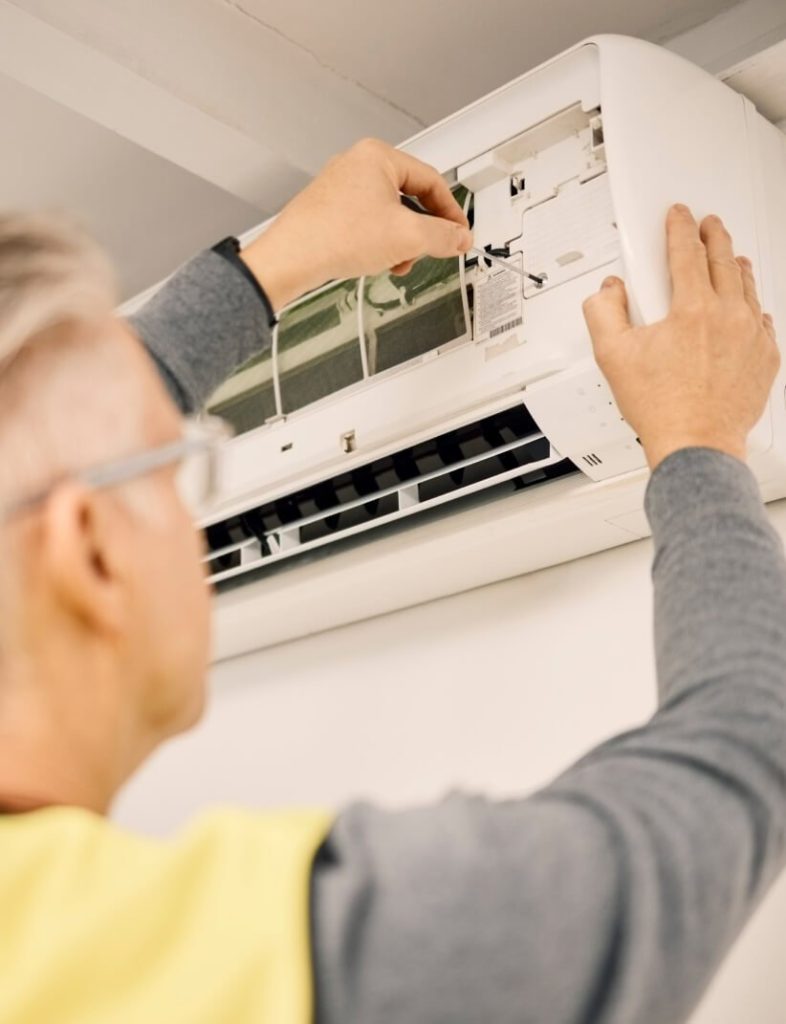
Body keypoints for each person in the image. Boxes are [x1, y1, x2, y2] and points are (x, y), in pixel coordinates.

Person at [0, 137, 782, 1024]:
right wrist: (700, 437)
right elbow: (737, 763)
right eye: (178, 468)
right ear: (92, 555)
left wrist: (275, 266)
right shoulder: (273, 961)